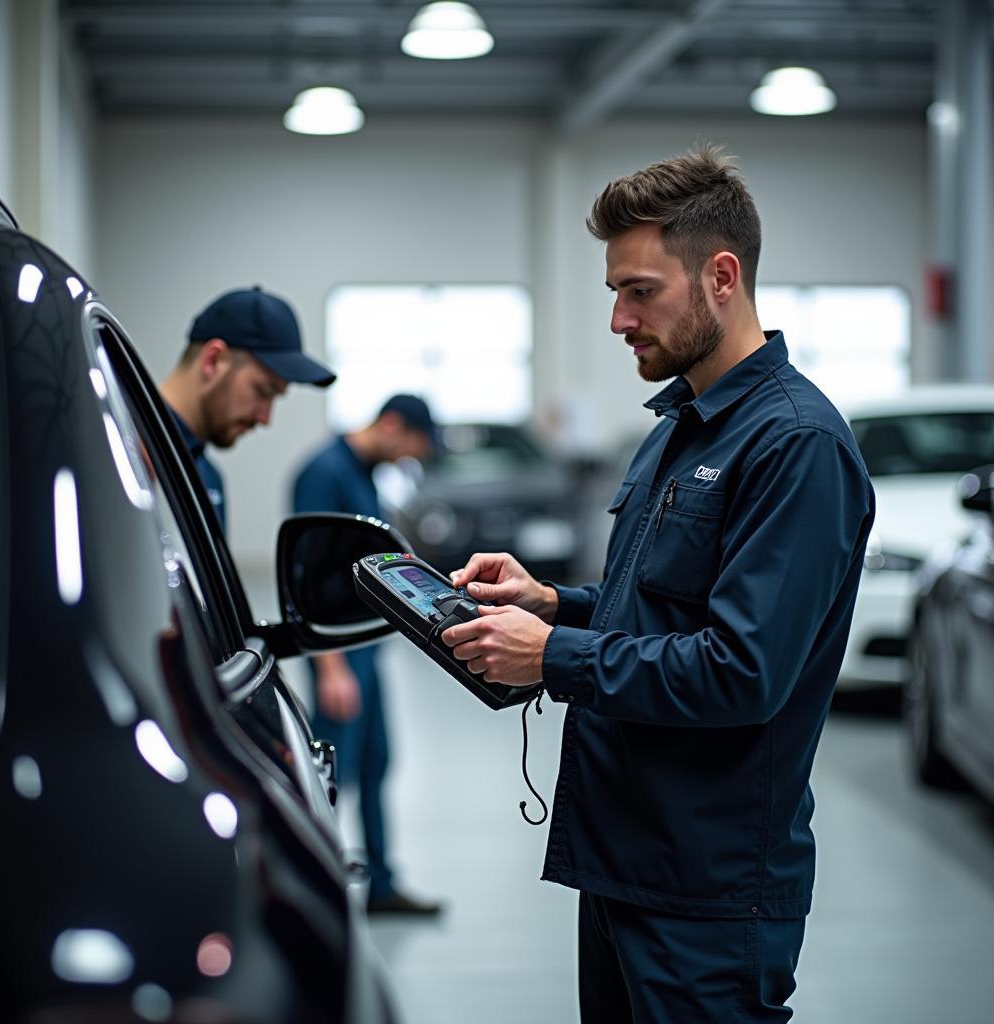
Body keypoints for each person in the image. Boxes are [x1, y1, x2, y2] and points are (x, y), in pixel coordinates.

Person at [442, 145, 876, 1021]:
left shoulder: (794, 446)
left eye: (640, 290)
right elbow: (661, 609)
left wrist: (554, 658)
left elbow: (740, 670)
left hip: (708, 894)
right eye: (615, 291)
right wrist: (552, 605)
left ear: (721, 276)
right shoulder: (679, 428)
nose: (617, 318)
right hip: (624, 864)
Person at [292, 395, 443, 916]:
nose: (407, 460)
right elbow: (304, 577)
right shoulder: (322, 472)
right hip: (337, 652)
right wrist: (330, 669)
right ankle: (312, 890)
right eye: (411, 449)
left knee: (377, 762)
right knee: (334, 775)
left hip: (365, 648)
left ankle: (380, 885)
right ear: (391, 425)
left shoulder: (364, 473)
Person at [160, 285, 335, 531]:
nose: (265, 418)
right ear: (214, 361)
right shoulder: (129, 452)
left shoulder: (207, 474)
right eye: (263, 391)